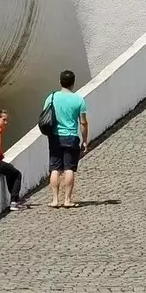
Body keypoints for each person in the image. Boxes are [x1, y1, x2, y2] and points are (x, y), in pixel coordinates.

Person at [45, 69, 89, 208]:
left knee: (55, 168)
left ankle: (55, 200)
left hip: (55, 137)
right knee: (69, 168)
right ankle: (67, 200)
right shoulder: (78, 100)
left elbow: (45, 115)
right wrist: (85, 139)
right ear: (73, 83)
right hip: (71, 137)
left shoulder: (51, 97)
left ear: (60, 81)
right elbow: (83, 122)